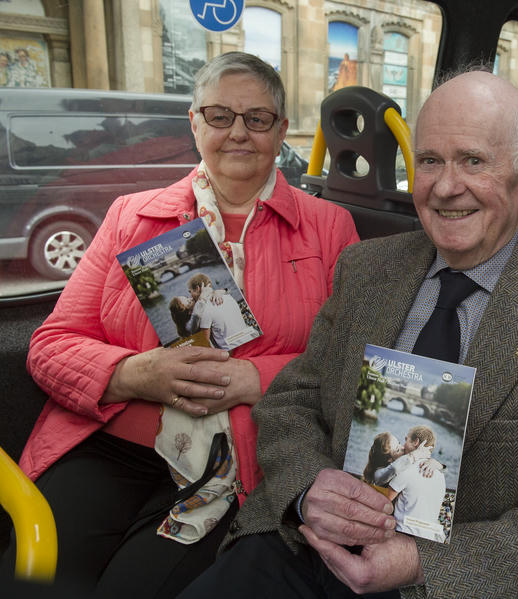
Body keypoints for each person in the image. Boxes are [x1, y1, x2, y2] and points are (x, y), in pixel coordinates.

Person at [182, 68, 518, 599]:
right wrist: (309, 489)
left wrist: (421, 564)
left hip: (446, 581)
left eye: (473, 161)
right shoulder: (364, 269)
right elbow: (291, 401)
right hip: (303, 546)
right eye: (430, 161)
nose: (447, 187)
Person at [2, 52, 358, 596]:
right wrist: (132, 372)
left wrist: (257, 379)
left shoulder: (330, 227)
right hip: (109, 445)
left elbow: (358, 359)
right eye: (219, 116)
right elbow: (50, 344)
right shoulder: (130, 216)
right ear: (194, 123)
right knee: (36, 575)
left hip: (233, 460)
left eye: (257, 119)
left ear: (281, 131)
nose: (238, 132)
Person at [382, 426, 447, 543]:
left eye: (406, 439)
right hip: (429, 538)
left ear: (416, 442)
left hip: (403, 535)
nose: (403, 445)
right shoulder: (441, 475)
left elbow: (384, 502)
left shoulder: (407, 470)